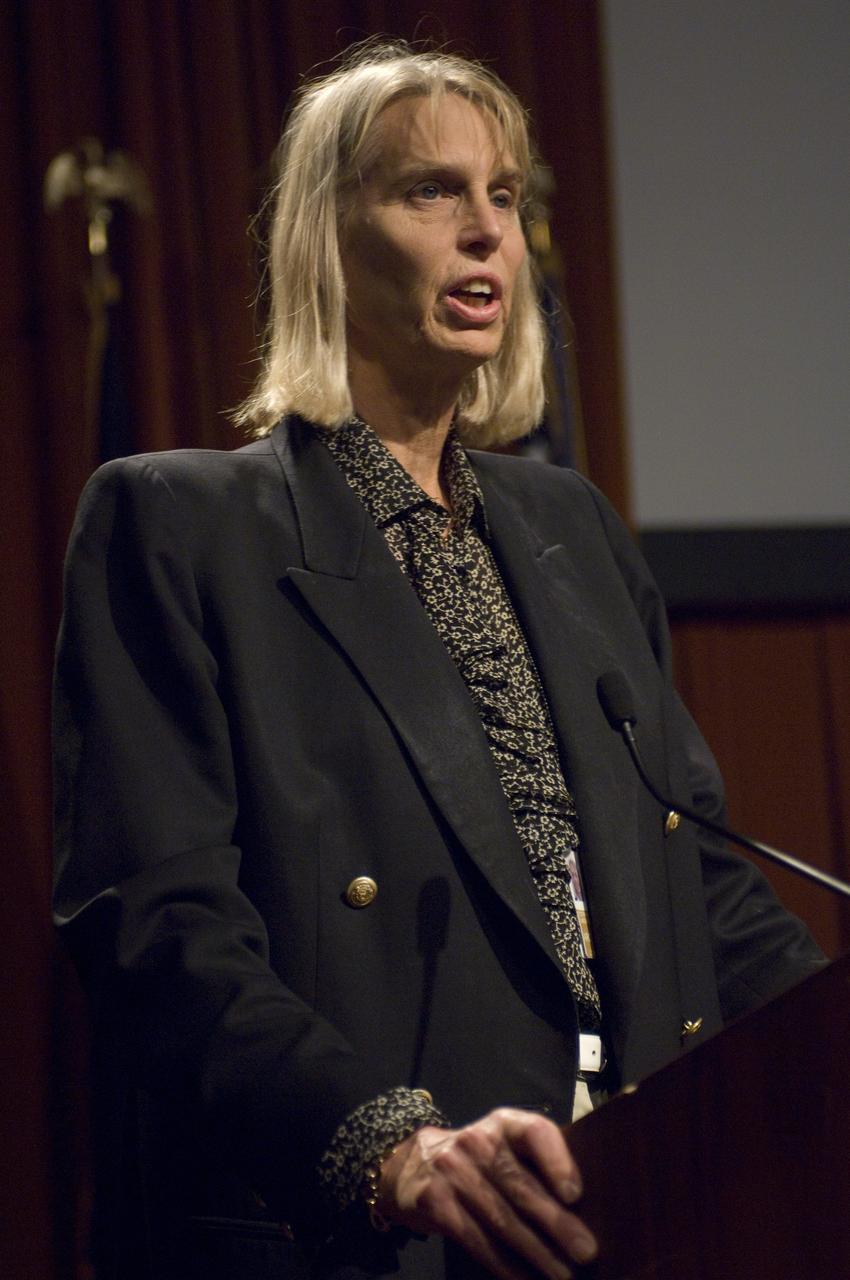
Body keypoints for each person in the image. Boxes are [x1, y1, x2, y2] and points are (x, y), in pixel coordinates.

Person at [53, 41, 824, 1280]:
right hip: (370, 1231)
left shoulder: (570, 527)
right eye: (432, 192)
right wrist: (388, 1147)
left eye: (506, 197)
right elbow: (155, 922)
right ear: (325, 235)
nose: (487, 234)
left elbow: (702, 884)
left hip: (633, 1200)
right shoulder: (179, 525)